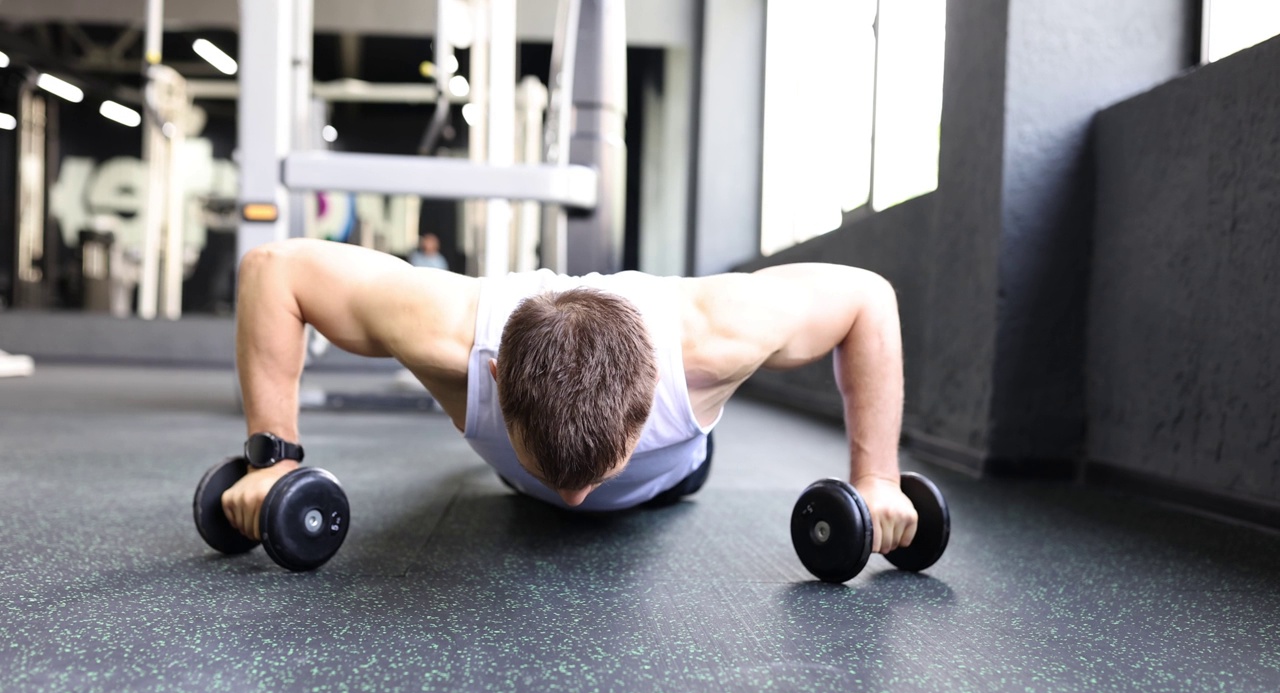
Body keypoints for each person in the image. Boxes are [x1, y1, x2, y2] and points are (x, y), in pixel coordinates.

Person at [221, 238, 919, 556]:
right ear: (494, 382)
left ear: (646, 406)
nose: (576, 501)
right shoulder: (447, 337)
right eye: (559, 476)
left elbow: (868, 300)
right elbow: (273, 272)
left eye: (594, 474)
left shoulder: (713, 342)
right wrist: (272, 459)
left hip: (672, 478)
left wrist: (878, 480)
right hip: (515, 477)